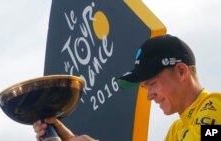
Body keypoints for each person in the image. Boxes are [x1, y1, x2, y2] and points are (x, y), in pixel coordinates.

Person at [33, 34, 221, 141]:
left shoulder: (215, 107)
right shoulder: (176, 130)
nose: (149, 96)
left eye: (152, 83)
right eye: (145, 87)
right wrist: (68, 138)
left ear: (181, 71)